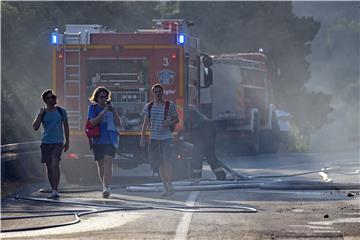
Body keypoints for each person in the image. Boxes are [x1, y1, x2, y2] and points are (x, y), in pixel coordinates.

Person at [140, 84, 179, 196]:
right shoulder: (149, 106)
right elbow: (145, 123)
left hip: (166, 138)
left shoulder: (169, 105)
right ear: (153, 94)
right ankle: (165, 187)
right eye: (155, 92)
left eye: (159, 92)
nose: (157, 94)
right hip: (154, 138)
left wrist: (169, 122)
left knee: (167, 161)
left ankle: (170, 184)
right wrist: (142, 138)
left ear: (163, 93)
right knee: (159, 164)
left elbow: (176, 119)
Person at [32, 89, 69, 199]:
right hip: (46, 142)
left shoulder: (61, 111)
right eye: (50, 97)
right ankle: (53, 189)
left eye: (53, 97)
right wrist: (40, 114)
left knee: (55, 164)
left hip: (58, 142)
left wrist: (68, 141)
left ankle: (55, 190)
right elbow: (35, 127)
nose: (53, 99)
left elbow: (66, 127)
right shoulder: (42, 112)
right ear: (46, 100)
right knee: (49, 167)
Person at [88, 86, 121, 198]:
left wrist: (114, 111)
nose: (104, 99)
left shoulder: (111, 109)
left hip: (110, 139)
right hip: (98, 140)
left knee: (108, 163)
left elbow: (118, 123)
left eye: (106, 97)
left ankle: (107, 187)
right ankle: (104, 185)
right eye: (101, 97)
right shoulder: (93, 108)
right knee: (101, 165)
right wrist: (104, 111)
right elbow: (92, 122)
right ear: (96, 98)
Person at [187, 105, 226, 180]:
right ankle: (221, 175)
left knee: (198, 157)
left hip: (204, 132)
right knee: (210, 156)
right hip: (207, 132)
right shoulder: (197, 114)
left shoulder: (191, 113)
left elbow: (192, 129)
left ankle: (196, 177)